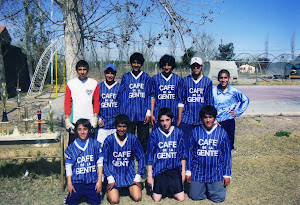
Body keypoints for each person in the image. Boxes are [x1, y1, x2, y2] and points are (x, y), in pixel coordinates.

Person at [186, 105, 232, 203]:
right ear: (201, 118)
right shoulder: (195, 132)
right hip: (198, 171)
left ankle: (212, 187)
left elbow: (227, 155)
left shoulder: (222, 133)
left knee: (218, 198)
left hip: (216, 172)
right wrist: (188, 171)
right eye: (205, 117)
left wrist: (227, 174)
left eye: (210, 117)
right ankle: (201, 187)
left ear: (214, 118)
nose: (208, 120)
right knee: (195, 196)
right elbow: (189, 153)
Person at [102, 114, 145, 204]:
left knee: (137, 197)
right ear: (115, 126)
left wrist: (137, 177)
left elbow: (141, 157)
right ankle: (111, 189)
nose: (121, 129)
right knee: (114, 200)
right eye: (119, 126)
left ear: (127, 127)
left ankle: (127, 187)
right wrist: (110, 178)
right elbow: (104, 161)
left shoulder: (132, 139)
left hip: (128, 175)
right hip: (113, 175)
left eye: (124, 126)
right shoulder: (109, 140)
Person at [147, 107, 186, 202]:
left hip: (174, 169)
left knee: (181, 198)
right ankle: (162, 186)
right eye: (162, 121)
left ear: (172, 119)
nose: (165, 123)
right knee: (157, 199)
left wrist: (183, 171)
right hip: (160, 170)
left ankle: (170, 187)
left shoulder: (178, 132)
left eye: (167, 120)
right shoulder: (154, 134)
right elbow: (150, 155)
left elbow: (183, 154)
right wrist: (149, 175)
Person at [118, 52, 152, 153]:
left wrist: (148, 112)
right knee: (129, 137)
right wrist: (123, 112)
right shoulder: (126, 77)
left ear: (141, 64)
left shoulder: (146, 77)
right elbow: (123, 95)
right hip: (130, 113)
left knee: (143, 139)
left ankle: (143, 159)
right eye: (134, 63)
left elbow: (149, 95)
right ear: (131, 63)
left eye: (138, 63)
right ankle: (129, 158)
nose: (136, 65)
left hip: (142, 114)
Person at [177, 56, 214, 149]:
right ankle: (186, 162)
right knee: (185, 144)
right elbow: (181, 101)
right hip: (187, 118)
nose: (196, 68)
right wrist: (180, 118)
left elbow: (209, 102)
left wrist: (209, 118)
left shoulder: (207, 81)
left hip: (201, 119)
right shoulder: (184, 81)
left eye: (198, 66)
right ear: (190, 67)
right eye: (194, 66)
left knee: (200, 144)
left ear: (202, 67)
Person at [64, 118, 103, 205]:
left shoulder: (94, 144)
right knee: (71, 202)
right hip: (77, 182)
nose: (82, 132)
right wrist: (69, 183)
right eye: (79, 129)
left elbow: (100, 162)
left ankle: (87, 194)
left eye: (85, 129)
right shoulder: (72, 146)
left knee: (96, 201)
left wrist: (99, 180)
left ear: (89, 130)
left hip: (91, 181)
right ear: (76, 130)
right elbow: (68, 166)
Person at [64, 60, 100, 145]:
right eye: (80, 69)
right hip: (75, 120)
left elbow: (96, 102)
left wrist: (95, 118)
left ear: (87, 70)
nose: (82, 72)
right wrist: (67, 120)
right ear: (76, 70)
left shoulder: (93, 83)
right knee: (74, 146)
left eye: (84, 69)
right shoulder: (70, 84)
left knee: (89, 147)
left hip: (89, 120)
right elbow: (67, 103)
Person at [213, 69, 250, 150]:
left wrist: (237, 112)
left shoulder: (234, 91)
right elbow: (208, 105)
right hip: (217, 122)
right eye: (221, 78)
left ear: (229, 78)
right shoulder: (213, 91)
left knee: (228, 145)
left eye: (225, 78)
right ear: (218, 79)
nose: (223, 80)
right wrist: (213, 120)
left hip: (229, 121)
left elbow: (245, 100)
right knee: (216, 145)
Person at [150, 54, 182, 128]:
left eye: (169, 65)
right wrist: (152, 114)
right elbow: (152, 97)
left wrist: (179, 117)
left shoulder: (178, 79)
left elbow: (180, 100)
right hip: (158, 114)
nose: (166, 67)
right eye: (164, 65)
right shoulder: (155, 79)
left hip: (173, 114)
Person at [96, 64, 120, 145]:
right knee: (100, 149)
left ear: (115, 74)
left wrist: (119, 121)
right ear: (104, 73)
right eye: (108, 73)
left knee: (114, 149)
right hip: (103, 124)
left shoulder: (119, 87)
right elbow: (95, 104)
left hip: (115, 125)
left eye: (112, 73)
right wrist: (98, 119)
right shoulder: (99, 87)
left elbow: (122, 106)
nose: (110, 75)